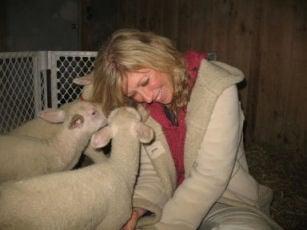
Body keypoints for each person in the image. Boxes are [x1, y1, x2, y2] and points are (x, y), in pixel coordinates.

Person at [92, 29, 282, 230]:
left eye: (145, 82)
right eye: (133, 93)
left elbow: (211, 176)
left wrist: (165, 226)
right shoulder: (144, 110)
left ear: (157, 55)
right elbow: (154, 174)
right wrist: (137, 209)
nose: (146, 97)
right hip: (168, 204)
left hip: (225, 203)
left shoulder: (216, 88)